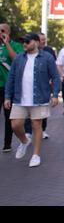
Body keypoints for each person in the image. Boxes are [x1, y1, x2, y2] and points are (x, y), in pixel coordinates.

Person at [4, 33, 60, 167]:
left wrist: (55, 95)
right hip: (19, 98)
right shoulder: (18, 59)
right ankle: (24, 141)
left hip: (40, 98)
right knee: (15, 125)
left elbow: (56, 77)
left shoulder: (46, 58)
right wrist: (7, 96)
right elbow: (11, 78)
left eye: (27, 42)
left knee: (36, 126)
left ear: (36, 42)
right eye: (23, 42)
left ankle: (35, 155)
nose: (24, 44)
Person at [24, 32, 56, 140]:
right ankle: (28, 132)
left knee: (42, 110)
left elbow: (53, 70)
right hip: (29, 87)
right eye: (42, 39)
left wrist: (54, 90)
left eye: (44, 39)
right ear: (37, 41)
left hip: (44, 86)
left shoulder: (49, 52)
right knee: (29, 108)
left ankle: (42, 130)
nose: (43, 41)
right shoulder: (26, 53)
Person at [0, 23, 23, 152]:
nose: (0, 33)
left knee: (8, 116)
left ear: (8, 31)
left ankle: (7, 143)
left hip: (8, 87)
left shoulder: (15, 45)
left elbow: (16, 60)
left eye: (2, 30)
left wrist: (7, 43)